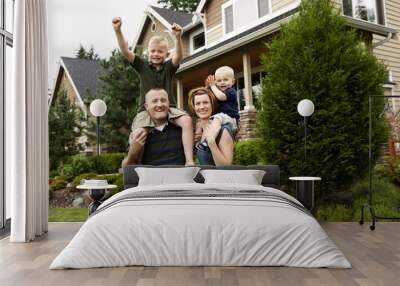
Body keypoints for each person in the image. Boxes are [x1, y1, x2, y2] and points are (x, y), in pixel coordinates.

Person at [112, 17, 194, 166]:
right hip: (145, 110)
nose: (156, 54)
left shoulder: (168, 68)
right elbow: (125, 50)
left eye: (160, 52)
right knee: (139, 135)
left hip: (170, 108)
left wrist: (177, 37)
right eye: (153, 51)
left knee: (187, 120)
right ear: (147, 53)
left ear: (166, 54)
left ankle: (189, 160)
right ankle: (140, 165)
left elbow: (179, 56)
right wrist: (118, 30)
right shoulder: (142, 66)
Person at [122, 88, 185, 167]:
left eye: (163, 100)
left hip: (178, 177)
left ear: (168, 103)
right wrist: (133, 151)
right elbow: (126, 167)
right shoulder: (139, 134)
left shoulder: (182, 130)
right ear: (146, 106)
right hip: (150, 178)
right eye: (154, 101)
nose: (159, 105)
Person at [188, 87, 234, 166]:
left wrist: (212, 143)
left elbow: (226, 168)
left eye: (205, 102)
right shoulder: (200, 133)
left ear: (211, 104)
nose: (202, 107)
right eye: (198, 103)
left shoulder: (223, 131)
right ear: (194, 107)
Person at [202, 66, 240, 136]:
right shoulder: (217, 91)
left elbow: (221, 97)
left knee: (217, 118)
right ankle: (204, 141)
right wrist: (208, 87)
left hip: (231, 118)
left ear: (232, 82)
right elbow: (206, 95)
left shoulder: (231, 91)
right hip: (222, 119)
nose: (222, 82)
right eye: (219, 81)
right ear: (216, 82)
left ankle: (211, 138)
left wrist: (213, 86)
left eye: (225, 80)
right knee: (203, 123)